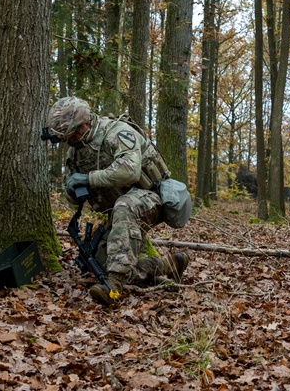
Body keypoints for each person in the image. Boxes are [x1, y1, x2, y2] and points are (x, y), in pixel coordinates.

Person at [43, 96, 189, 305]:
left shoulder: (116, 132)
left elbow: (130, 170)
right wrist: (71, 191)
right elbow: (74, 201)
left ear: (85, 122)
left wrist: (88, 178)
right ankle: (168, 265)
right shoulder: (74, 154)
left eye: (74, 133)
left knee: (125, 206)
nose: (72, 139)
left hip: (151, 198)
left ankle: (113, 287)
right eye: (68, 137)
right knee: (103, 263)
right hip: (119, 212)